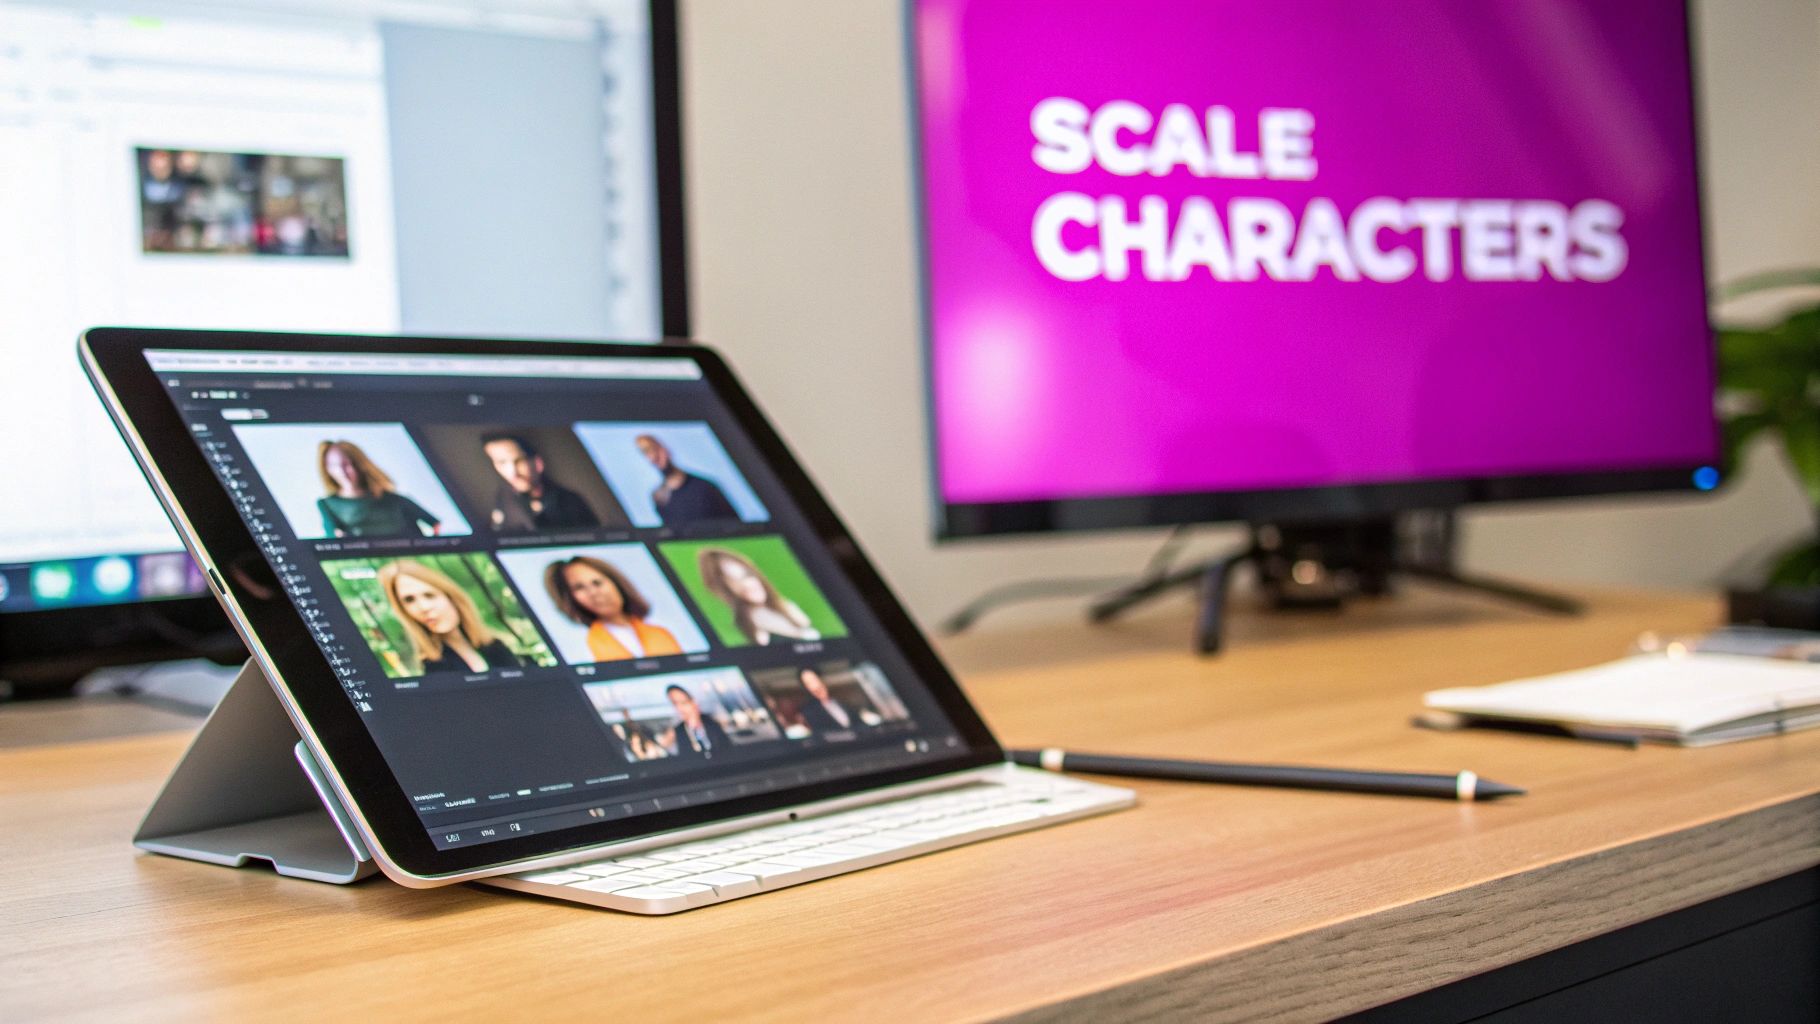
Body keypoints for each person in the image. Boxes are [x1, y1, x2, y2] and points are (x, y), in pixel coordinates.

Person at [378, 560, 524, 675]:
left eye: (429, 595)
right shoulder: (434, 668)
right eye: (409, 600)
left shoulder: (495, 645)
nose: (423, 607)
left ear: (450, 596)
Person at [542, 555, 683, 662]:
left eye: (597, 583)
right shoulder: (583, 649)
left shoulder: (661, 631)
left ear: (615, 582)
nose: (594, 592)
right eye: (579, 587)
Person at [316, 440, 441, 538]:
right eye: (333, 465)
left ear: (359, 464)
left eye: (347, 464)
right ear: (327, 469)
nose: (342, 471)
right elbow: (332, 538)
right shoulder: (327, 504)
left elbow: (435, 524)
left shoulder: (394, 499)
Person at [695, 547, 820, 645]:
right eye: (734, 582)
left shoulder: (787, 607)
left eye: (746, 575)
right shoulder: (755, 629)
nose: (748, 584)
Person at [481, 433, 600, 533]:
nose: (513, 472)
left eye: (519, 461)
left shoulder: (571, 501)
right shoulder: (502, 499)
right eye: (502, 463)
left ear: (537, 463)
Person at [636, 434, 740, 525]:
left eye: (654, 450)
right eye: (646, 453)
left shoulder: (704, 486)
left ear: (665, 450)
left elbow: (734, 524)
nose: (653, 457)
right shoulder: (659, 497)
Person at [665, 684, 734, 762]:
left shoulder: (712, 722)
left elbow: (728, 747)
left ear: (694, 702)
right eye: (675, 704)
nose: (680, 708)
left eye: (683, 702)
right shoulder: (678, 731)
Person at [794, 667, 869, 734]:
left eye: (815, 680)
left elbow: (860, 723)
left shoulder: (842, 700)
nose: (815, 687)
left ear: (821, 679)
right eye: (808, 684)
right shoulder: (808, 711)